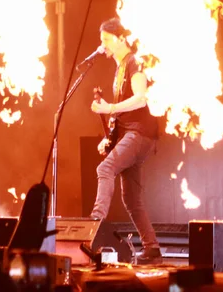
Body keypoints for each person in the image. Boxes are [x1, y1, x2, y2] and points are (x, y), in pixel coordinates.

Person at [89, 18, 161, 265]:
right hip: (130, 134)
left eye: (107, 40)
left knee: (105, 169)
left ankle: (94, 225)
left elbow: (141, 99)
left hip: (140, 134)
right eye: (101, 41)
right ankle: (152, 250)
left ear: (121, 38)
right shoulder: (118, 68)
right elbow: (121, 115)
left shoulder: (134, 63)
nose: (103, 46)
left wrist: (109, 106)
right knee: (131, 199)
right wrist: (109, 139)